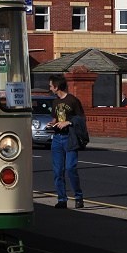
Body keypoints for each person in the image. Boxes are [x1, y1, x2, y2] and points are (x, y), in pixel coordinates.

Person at [47, 75, 85, 208]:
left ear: (56, 87)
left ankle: (78, 196)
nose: (50, 88)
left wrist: (67, 123)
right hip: (57, 139)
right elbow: (55, 118)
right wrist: (52, 124)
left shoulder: (73, 100)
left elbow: (81, 119)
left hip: (70, 138)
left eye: (51, 86)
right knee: (58, 171)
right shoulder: (55, 102)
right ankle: (62, 199)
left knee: (70, 168)